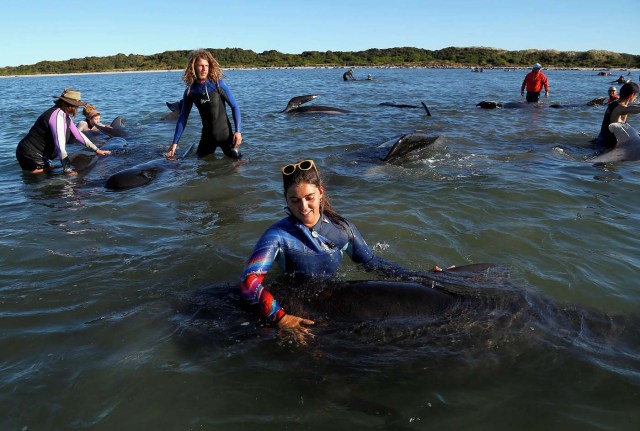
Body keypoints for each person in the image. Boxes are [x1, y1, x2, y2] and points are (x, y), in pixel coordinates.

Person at [239, 159, 451, 344]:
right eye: (294, 200)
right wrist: (281, 318)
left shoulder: (341, 229)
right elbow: (249, 283)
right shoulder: (277, 235)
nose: (303, 207)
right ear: (286, 199)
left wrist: (421, 278)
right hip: (295, 304)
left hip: (332, 304)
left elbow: (372, 263)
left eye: (309, 197)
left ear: (321, 192)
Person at [166, 49, 242, 159]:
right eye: (200, 65)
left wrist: (238, 131)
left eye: (206, 65)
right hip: (207, 138)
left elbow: (234, 106)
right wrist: (174, 143)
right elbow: (183, 117)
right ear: (193, 67)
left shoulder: (218, 85)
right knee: (200, 169)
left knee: (238, 166)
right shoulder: (190, 91)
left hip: (225, 136)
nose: (204, 69)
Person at [15, 89, 110, 174]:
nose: (76, 109)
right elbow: (60, 146)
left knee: (49, 174)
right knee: (40, 183)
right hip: (30, 153)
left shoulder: (65, 115)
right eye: (75, 106)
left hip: (41, 154)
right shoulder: (57, 117)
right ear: (69, 105)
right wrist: (67, 169)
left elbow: (78, 135)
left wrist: (97, 150)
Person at [595, 81, 640, 148]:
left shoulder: (615, 103)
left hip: (600, 141)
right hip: (605, 146)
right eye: (636, 96)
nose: (636, 98)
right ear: (632, 95)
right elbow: (633, 109)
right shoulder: (620, 108)